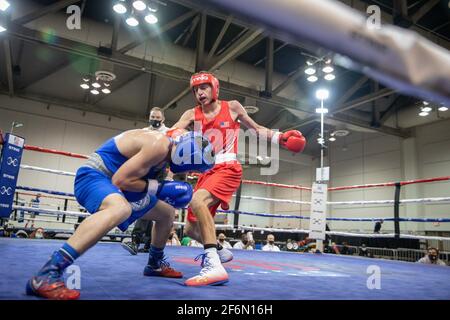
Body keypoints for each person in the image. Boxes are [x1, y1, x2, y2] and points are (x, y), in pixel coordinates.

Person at [26, 128, 215, 300]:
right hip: (95, 177)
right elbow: (120, 180)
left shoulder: (167, 152)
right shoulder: (158, 145)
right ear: (186, 156)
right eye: (192, 168)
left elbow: (134, 182)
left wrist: (162, 189)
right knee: (120, 209)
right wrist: (161, 188)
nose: (190, 173)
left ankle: (154, 264)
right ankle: (47, 273)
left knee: (166, 213)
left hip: (120, 185)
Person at [172, 71, 306, 286]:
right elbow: (174, 130)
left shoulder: (232, 107)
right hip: (205, 172)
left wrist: (281, 138)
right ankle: (220, 251)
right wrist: (171, 135)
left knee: (198, 202)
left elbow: (256, 129)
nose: (200, 92)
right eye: (196, 89)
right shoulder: (191, 114)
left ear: (215, 88)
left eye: (204, 87)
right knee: (190, 229)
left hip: (227, 167)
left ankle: (214, 266)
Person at [121, 108, 170, 255]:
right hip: (145, 169)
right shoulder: (143, 131)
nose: (155, 119)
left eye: (157, 117)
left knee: (154, 205)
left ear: (163, 119)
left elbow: (171, 154)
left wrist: (170, 175)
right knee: (145, 202)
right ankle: (137, 240)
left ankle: (147, 243)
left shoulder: (168, 132)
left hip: (160, 171)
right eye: (152, 116)